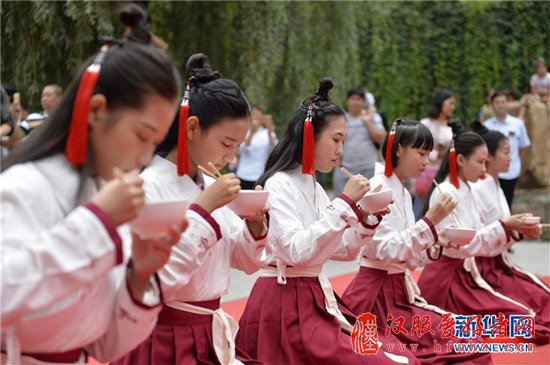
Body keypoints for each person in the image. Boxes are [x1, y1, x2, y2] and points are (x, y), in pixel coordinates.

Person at [0, 10, 186, 364]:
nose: (146, 156)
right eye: (142, 136)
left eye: (156, 142)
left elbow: (103, 346)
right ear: (97, 110)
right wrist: (97, 222)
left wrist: (138, 277)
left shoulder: (101, 193)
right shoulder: (23, 186)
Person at [237, 78, 411, 365]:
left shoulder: (314, 186)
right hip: (284, 306)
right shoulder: (279, 184)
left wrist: (366, 220)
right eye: (336, 139)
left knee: (397, 354)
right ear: (309, 136)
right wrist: (344, 204)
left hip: (311, 297)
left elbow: (340, 250)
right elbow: (297, 251)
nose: (341, 150)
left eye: (343, 141)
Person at [112, 53, 267, 365]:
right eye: (226, 144)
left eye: (237, 147)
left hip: (209, 328)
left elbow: (245, 262)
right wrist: (203, 211)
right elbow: (157, 281)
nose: (231, 157)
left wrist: (255, 226)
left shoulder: (209, 184)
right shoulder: (148, 186)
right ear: (192, 127)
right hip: (163, 337)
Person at [343, 118, 491, 364]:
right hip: (376, 298)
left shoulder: (401, 188)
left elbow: (408, 258)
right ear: (399, 148)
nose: (426, 161)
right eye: (421, 153)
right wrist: (430, 223)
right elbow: (385, 250)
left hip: (400, 292)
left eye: (429, 154)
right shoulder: (379, 186)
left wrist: (438, 242)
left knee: (469, 340)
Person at [418, 120, 543, 342]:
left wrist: (515, 229)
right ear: (460, 160)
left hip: (466, 271)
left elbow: (475, 237)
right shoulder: (446, 192)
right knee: (524, 321)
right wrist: (507, 227)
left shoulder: (465, 187)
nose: (484, 169)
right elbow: (466, 242)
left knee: (528, 318)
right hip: (448, 280)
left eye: (485, 163)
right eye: (480, 162)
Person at [471, 120, 549, 344]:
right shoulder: (478, 187)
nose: (511, 157)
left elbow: (502, 229)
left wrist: (520, 231)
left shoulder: (494, 184)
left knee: (543, 296)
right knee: (533, 312)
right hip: (484, 268)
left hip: (499, 263)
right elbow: (478, 237)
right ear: (489, 156)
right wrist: (511, 228)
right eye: (506, 152)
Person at [332, 86, 387, 196]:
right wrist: (336, 164)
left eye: (358, 99)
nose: (355, 102)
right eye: (352, 99)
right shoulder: (342, 119)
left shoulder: (372, 117)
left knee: (369, 201)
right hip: (346, 169)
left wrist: (367, 122)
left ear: (363, 102)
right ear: (347, 101)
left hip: (368, 169)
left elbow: (382, 137)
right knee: (341, 199)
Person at [484, 91, 531, 209]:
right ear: (492, 105)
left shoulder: (518, 124)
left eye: (503, 102)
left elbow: (523, 147)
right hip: (491, 172)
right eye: (497, 102)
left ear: (508, 104)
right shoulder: (486, 126)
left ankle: (506, 226)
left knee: (507, 203)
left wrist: (511, 159)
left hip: (511, 170)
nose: (500, 105)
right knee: (491, 203)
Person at [413, 89, 455, 219]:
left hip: (443, 173)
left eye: (454, 104)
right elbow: (416, 149)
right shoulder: (426, 124)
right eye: (450, 103)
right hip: (425, 171)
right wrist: (437, 154)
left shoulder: (452, 127)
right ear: (441, 103)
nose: (452, 107)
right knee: (420, 208)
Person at [236, 106, 278, 189]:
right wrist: (252, 131)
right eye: (254, 115)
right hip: (243, 175)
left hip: (260, 175)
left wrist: (270, 130)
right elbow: (242, 148)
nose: (256, 118)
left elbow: (274, 148)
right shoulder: (244, 131)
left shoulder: (267, 132)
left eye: (258, 115)